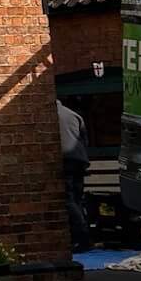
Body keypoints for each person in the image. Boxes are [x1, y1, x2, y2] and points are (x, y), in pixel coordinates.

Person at [60, 98, 92, 250]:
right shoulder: (74, 115)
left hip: (66, 160)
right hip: (80, 160)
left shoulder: (49, 115)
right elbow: (85, 140)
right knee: (78, 198)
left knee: (68, 198)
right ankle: (84, 237)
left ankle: (82, 235)